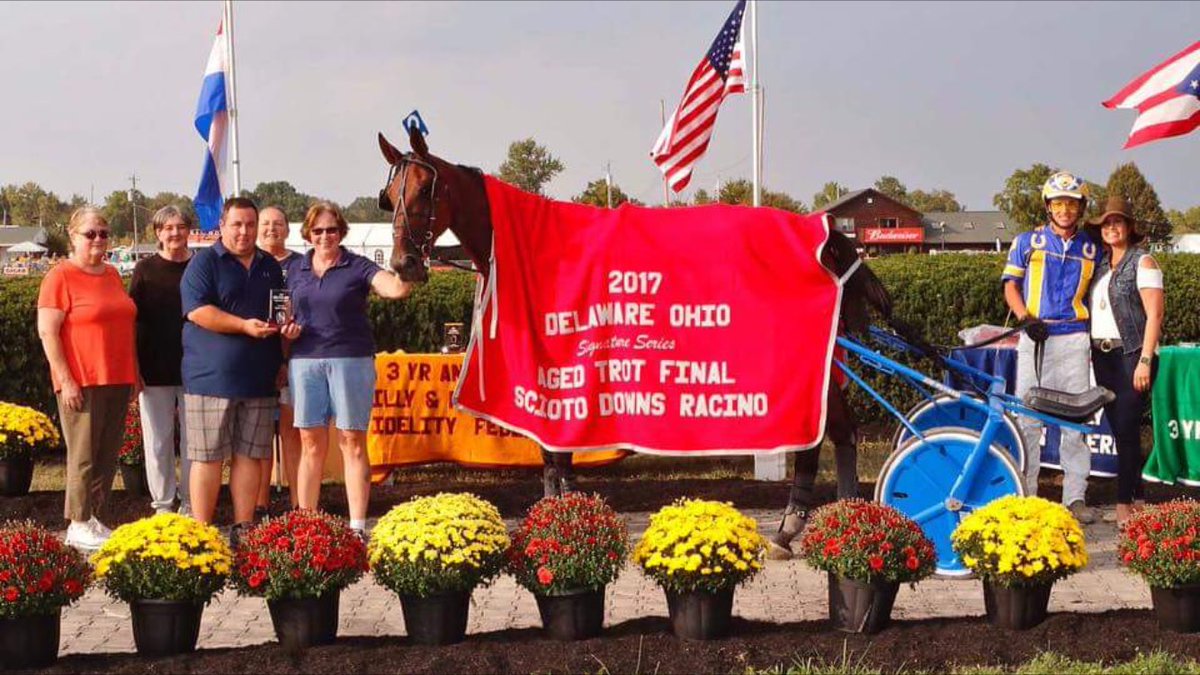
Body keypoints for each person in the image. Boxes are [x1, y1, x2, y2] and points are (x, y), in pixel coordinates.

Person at [287, 202, 411, 539]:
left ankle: (357, 526)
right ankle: (307, 523)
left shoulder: (357, 265)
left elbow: (394, 288)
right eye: (318, 231)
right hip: (305, 361)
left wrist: (410, 269)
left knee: (352, 441)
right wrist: (287, 330)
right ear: (308, 234)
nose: (325, 236)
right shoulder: (295, 269)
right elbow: (284, 312)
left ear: (341, 231)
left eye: (331, 229)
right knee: (310, 443)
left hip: (350, 359)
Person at [180, 197, 299, 544]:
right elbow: (199, 312)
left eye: (250, 224)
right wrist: (243, 326)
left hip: (258, 379)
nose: (244, 231)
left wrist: (283, 349)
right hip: (210, 379)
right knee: (208, 458)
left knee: (250, 455)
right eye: (237, 224)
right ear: (222, 225)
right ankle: (202, 534)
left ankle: (242, 528)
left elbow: (280, 314)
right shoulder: (203, 263)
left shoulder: (270, 266)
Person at [1001, 171, 1101, 523]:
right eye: (1058, 203)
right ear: (1048, 206)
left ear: (1080, 208)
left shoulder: (1092, 245)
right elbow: (1010, 285)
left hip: (1074, 338)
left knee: (1075, 421)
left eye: (1071, 204)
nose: (1064, 210)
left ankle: (1075, 498)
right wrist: (1025, 317)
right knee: (1028, 420)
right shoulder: (1026, 241)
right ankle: (1027, 496)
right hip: (1035, 336)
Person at [36, 207, 138, 550]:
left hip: (117, 376)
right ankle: (77, 522)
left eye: (104, 233)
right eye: (90, 234)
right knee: (82, 454)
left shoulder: (111, 274)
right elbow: (48, 333)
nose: (99, 240)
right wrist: (65, 379)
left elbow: (123, 325)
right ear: (73, 236)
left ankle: (93, 517)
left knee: (107, 453)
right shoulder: (59, 277)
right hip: (82, 378)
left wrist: (134, 372)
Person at [1085, 196, 1164, 527]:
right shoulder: (1102, 266)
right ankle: (1140, 499)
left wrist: (1145, 359)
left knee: (1129, 429)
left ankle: (1121, 506)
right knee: (1120, 432)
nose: (1111, 227)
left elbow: (1155, 314)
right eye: (1106, 223)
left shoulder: (1143, 262)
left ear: (1130, 228)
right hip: (1103, 357)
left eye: (1117, 222)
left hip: (1132, 354)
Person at [129, 206, 194, 515]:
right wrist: (134, 367)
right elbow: (132, 320)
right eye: (168, 228)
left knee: (196, 443)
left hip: (197, 368)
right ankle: (163, 503)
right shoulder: (144, 270)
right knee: (158, 442)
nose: (175, 233)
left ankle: (193, 502)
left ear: (188, 230)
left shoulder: (201, 266)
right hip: (154, 369)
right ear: (157, 233)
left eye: (180, 226)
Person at [254, 205, 302, 518]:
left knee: (290, 429)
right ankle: (259, 502)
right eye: (266, 223)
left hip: (295, 355)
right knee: (258, 434)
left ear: (287, 228)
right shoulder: (249, 261)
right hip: (256, 355)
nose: (272, 228)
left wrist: (285, 357)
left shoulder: (302, 263)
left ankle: (299, 500)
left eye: (278, 223)